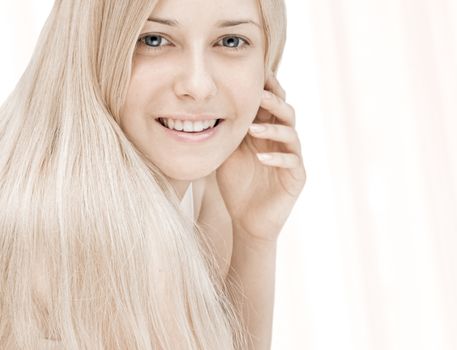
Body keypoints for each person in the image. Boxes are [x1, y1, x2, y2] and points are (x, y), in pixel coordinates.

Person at [0, 0, 306, 348]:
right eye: (155, 40)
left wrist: (254, 235)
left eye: (231, 41)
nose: (198, 85)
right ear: (94, 46)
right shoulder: (81, 228)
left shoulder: (201, 190)